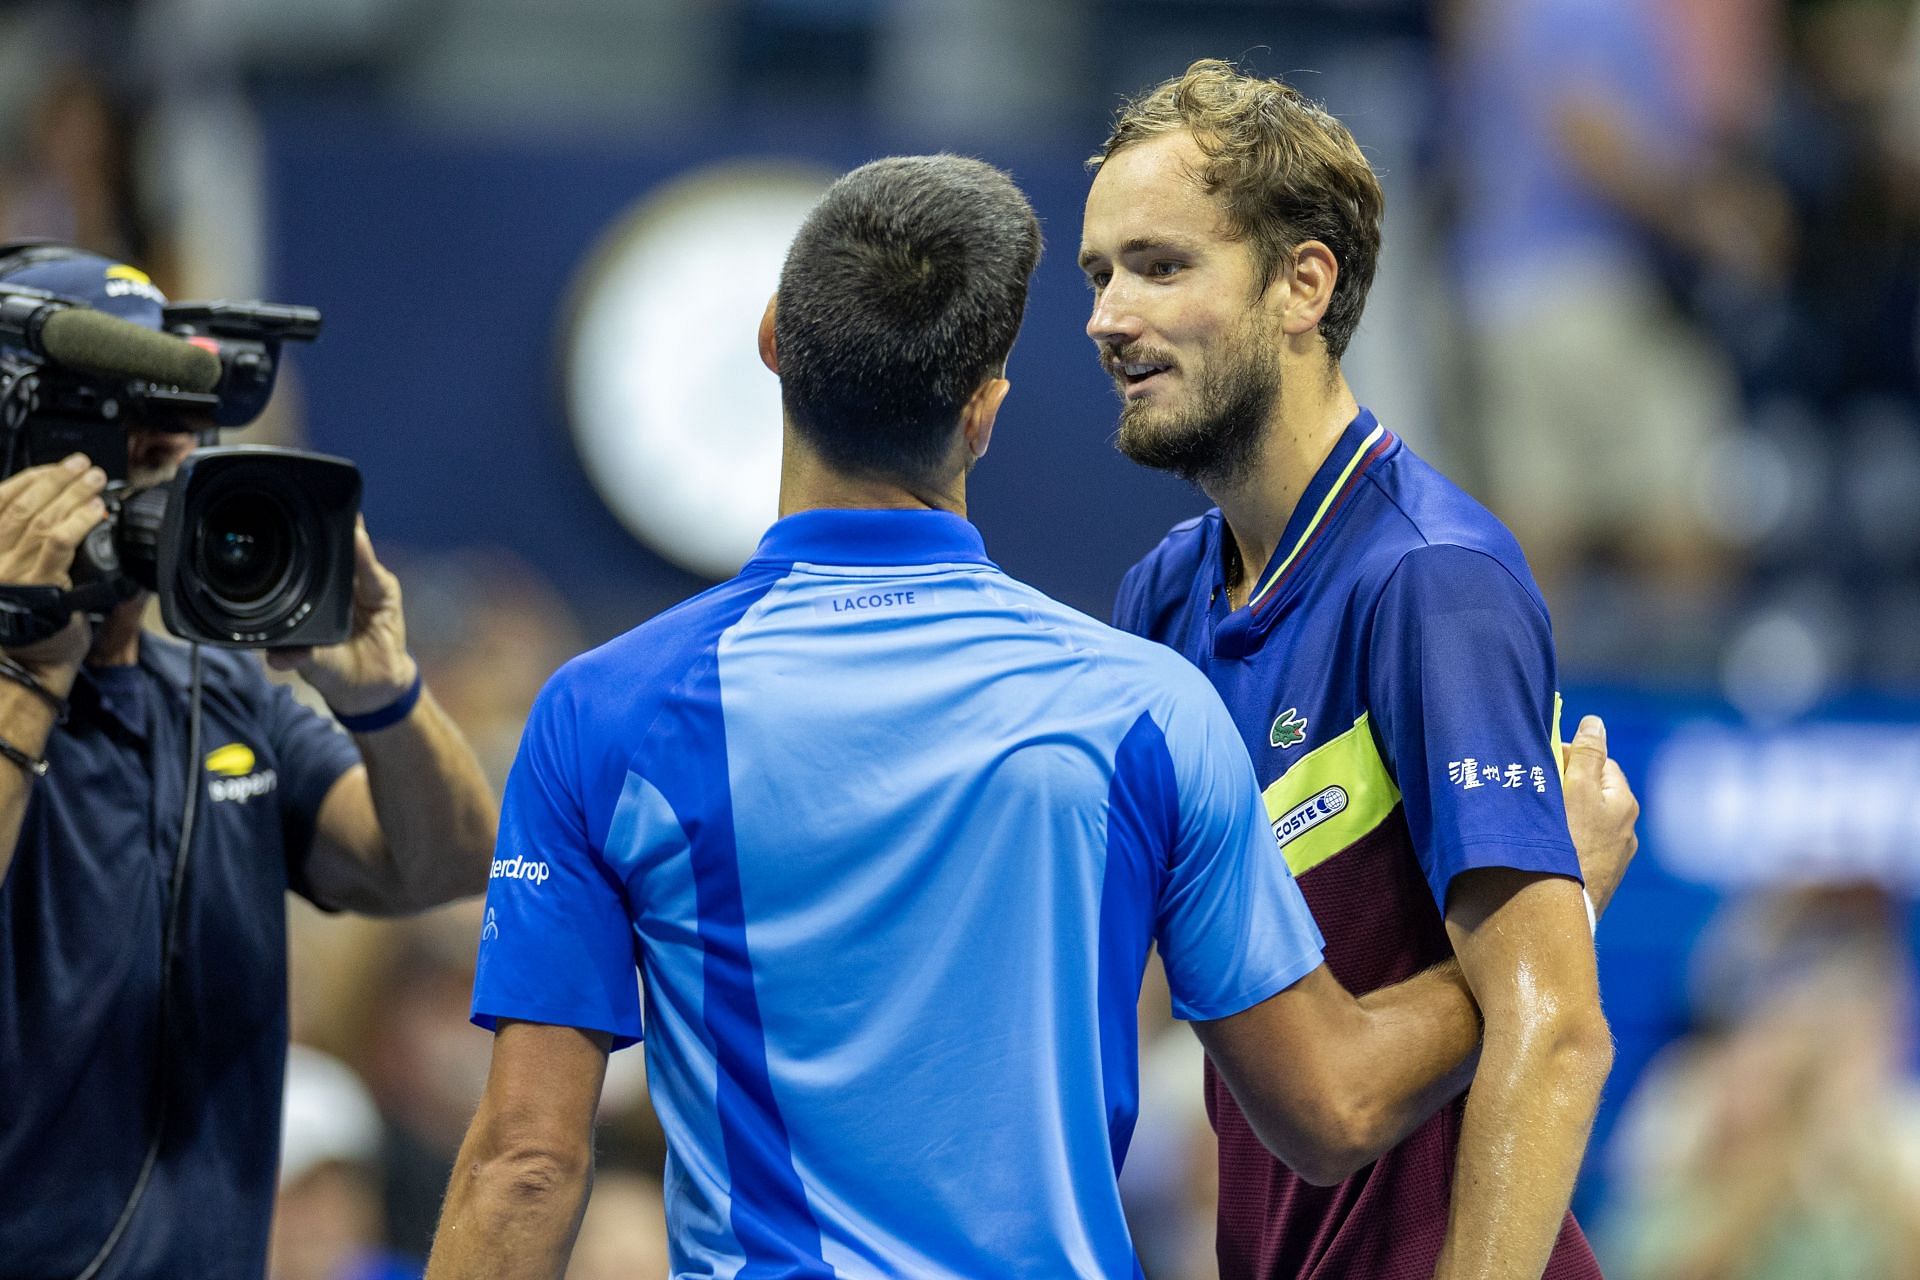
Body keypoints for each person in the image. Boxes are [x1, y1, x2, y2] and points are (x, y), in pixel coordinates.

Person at [425, 155, 1638, 1278]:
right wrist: (1563, 890)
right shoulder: (1145, 703)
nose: (1118, 311)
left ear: (772, 343)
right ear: (985, 411)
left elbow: (525, 1162)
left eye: (1155, 267)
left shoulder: (600, 711)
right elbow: (1331, 1106)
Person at [1086, 60, 1619, 1279]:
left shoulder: (1431, 579)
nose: (1108, 316)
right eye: (1100, 273)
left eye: (1161, 265)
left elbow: (1556, 1033)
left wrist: (1565, 912)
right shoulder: (1161, 596)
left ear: (1302, 284)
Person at [0, 249, 499, 1278]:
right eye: (123, 435)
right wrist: (25, 661)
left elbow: (440, 861)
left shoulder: (221, 694)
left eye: (178, 436)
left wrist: (383, 694)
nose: (160, 468)